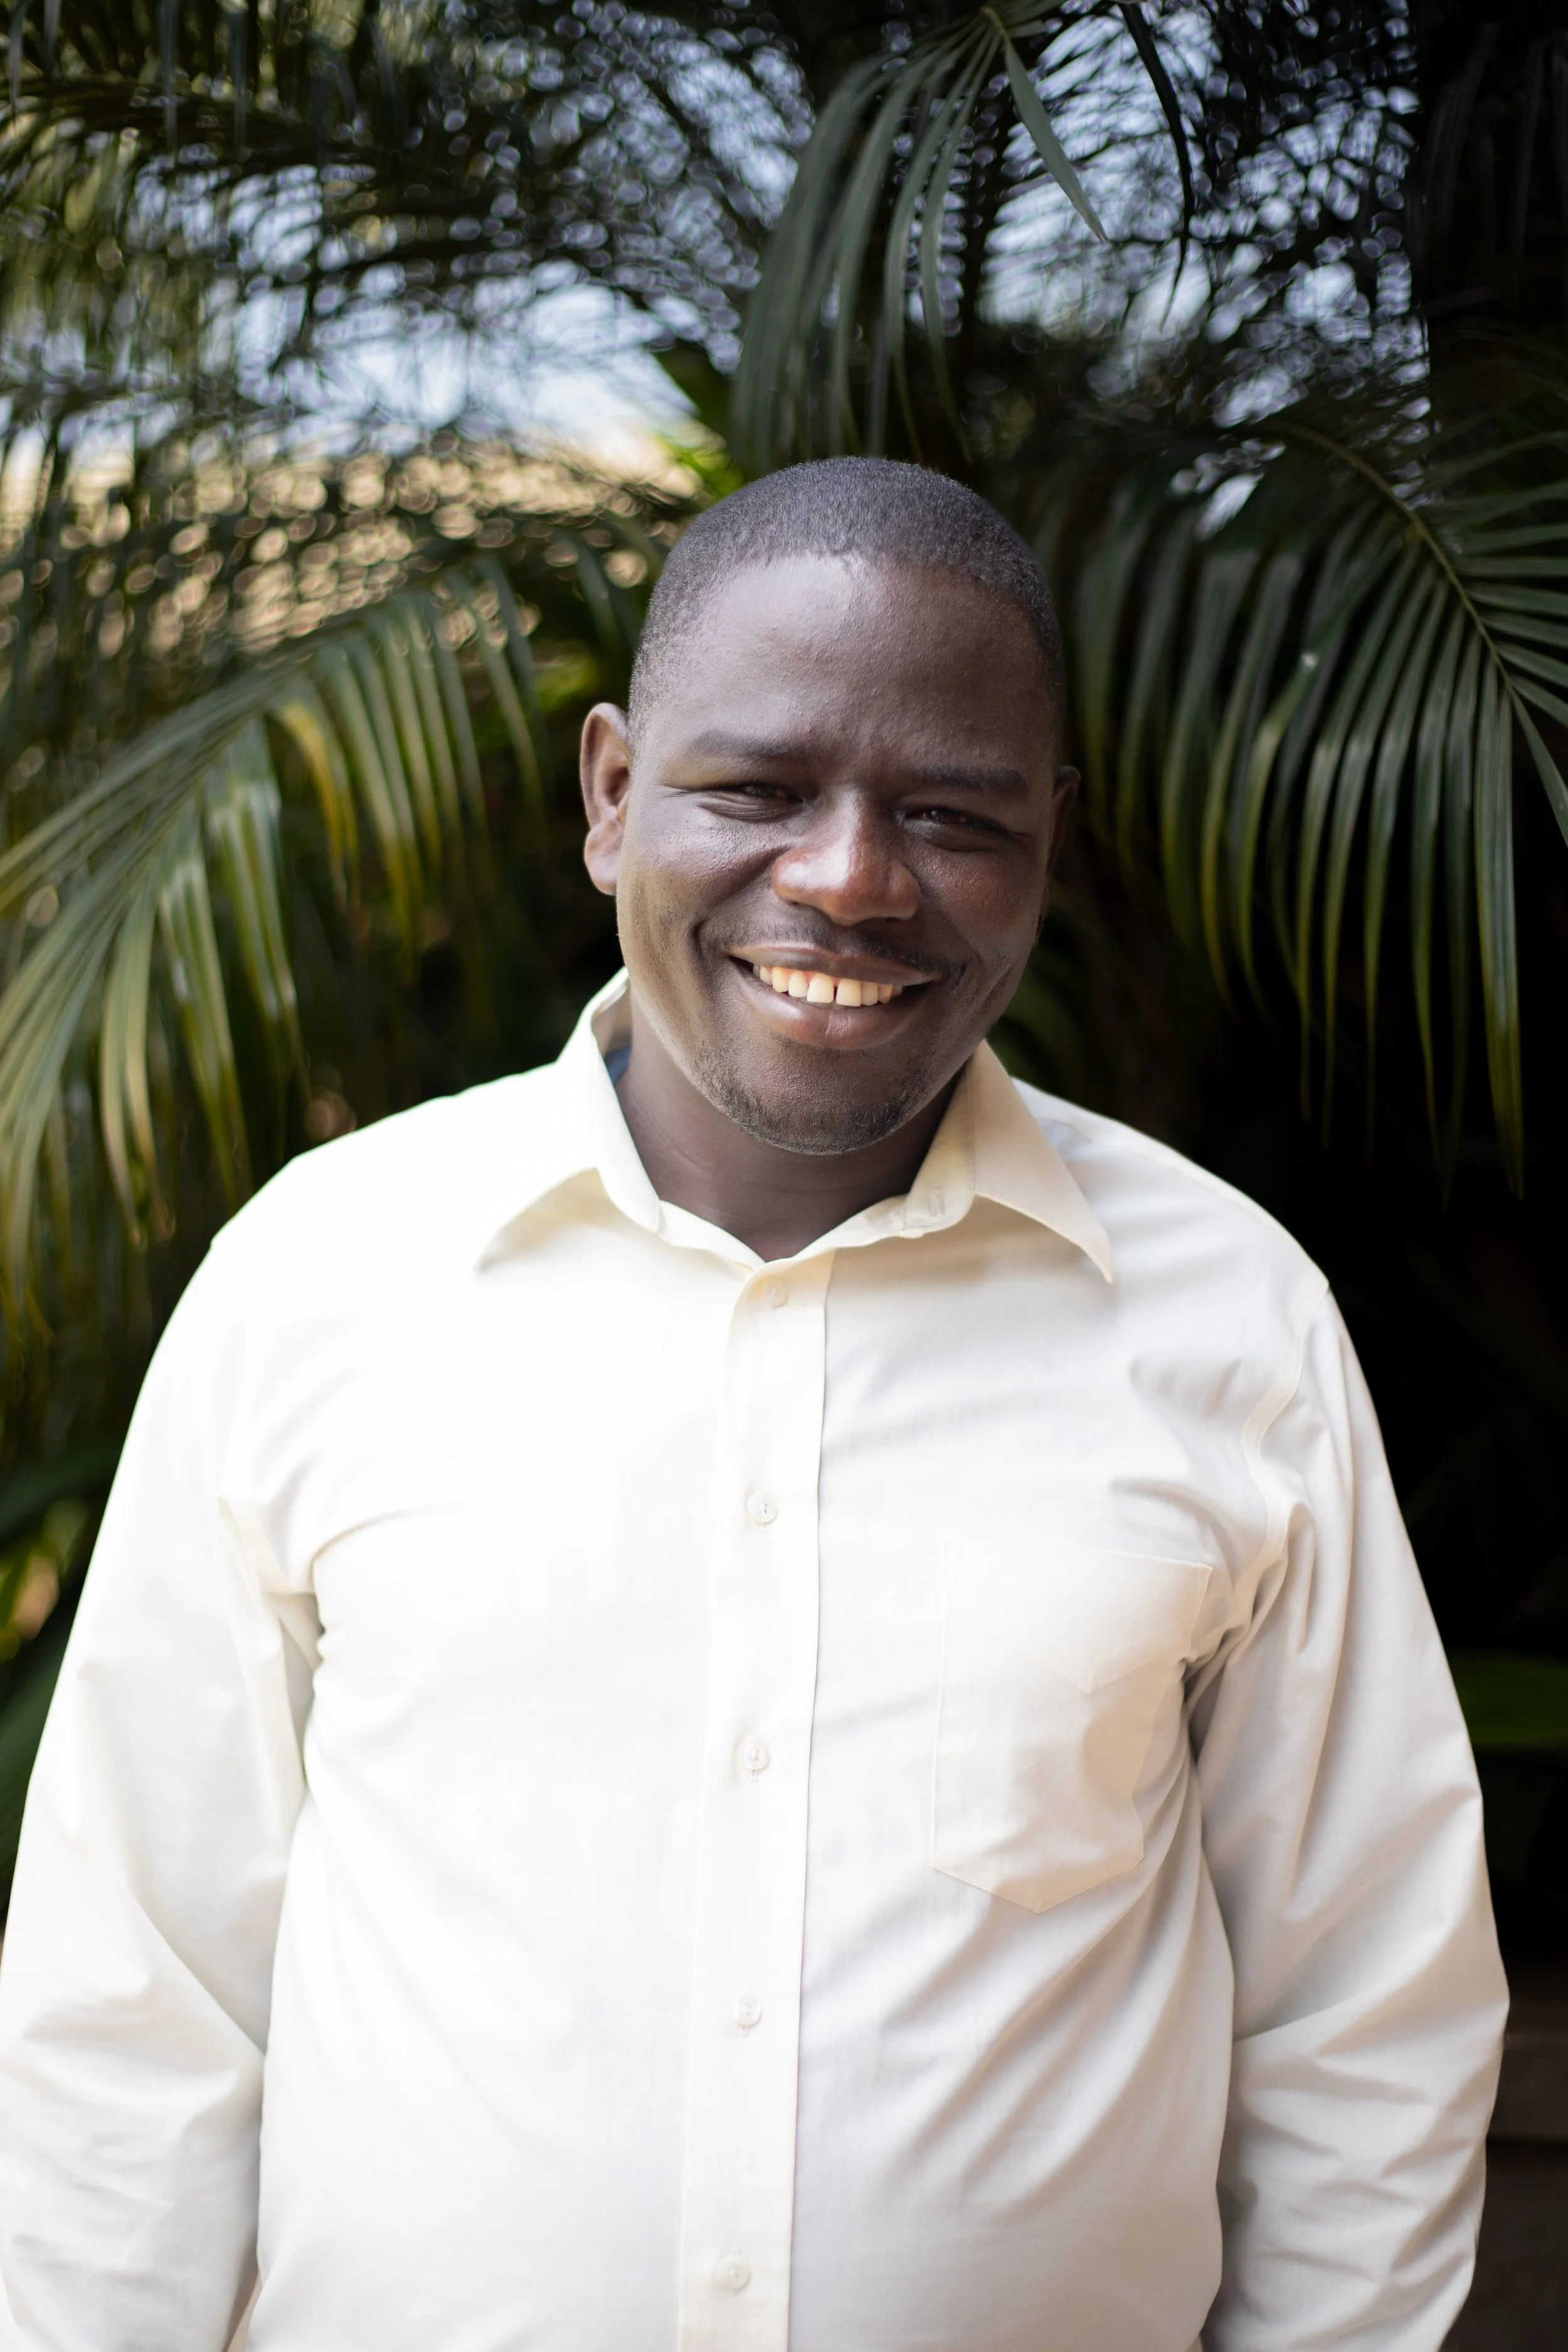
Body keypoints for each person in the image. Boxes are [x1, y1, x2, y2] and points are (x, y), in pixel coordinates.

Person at [0, 458, 1504, 2352]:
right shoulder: (322, 1279)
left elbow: (1362, 1996)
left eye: (950, 813)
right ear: (615, 797)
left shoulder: (1231, 1320)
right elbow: (134, 1996)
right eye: (757, 788)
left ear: (1050, 837)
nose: (851, 876)